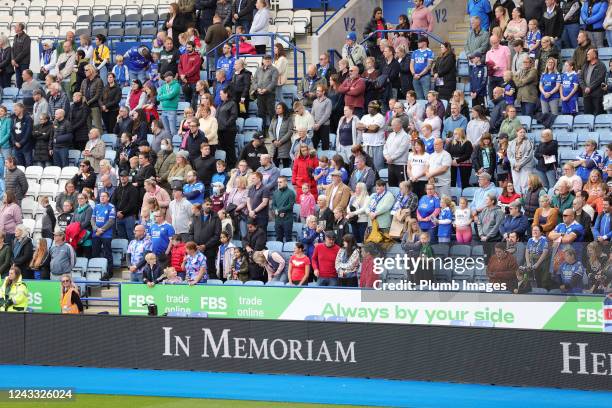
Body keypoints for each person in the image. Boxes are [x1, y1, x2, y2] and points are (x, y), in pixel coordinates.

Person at [251, 55, 278, 132]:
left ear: (271, 61)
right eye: (265, 59)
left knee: (271, 112)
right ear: (263, 61)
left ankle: (273, 130)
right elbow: (254, 80)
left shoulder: (274, 70)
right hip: (259, 94)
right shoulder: (259, 69)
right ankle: (262, 131)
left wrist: (266, 89)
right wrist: (257, 88)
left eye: (269, 60)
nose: (267, 61)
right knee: (261, 113)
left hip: (270, 94)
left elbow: (274, 82)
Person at [91, 191, 115, 279]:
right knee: (95, 253)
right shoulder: (96, 206)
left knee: (107, 253)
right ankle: (95, 273)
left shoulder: (111, 207)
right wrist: (96, 229)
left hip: (106, 235)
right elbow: (92, 219)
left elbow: (111, 221)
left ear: (108, 198)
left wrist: (102, 230)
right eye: (101, 196)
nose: (102, 198)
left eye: (104, 196)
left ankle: (109, 273)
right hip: (96, 233)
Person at [383, 118, 410, 188]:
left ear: (400, 125)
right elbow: (385, 146)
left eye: (395, 125)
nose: (393, 127)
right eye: (392, 125)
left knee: (404, 186)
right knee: (391, 185)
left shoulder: (405, 136)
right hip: (390, 164)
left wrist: (391, 158)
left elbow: (401, 150)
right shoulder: (391, 134)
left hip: (400, 164)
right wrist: (386, 156)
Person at [579, 48, 606, 115]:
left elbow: (600, 79)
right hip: (586, 95)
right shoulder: (585, 65)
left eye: (588, 54)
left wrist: (590, 88)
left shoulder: (601, 65)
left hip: (597, 95)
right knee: (587, 115)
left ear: (594, 55)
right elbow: (580, 78)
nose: (587, 55)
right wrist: (584, 88)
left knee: (598, 114)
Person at [508, 127, 534, 194]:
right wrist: (515, 163)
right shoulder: (511, 143)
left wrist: (520, 164)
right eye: (520, 132)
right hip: (514, 166)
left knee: (525, 184)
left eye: (524, 132)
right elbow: (510, 155)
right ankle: (518, 198)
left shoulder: (529, 142)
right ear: (517, 133)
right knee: (516, 183)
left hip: (525, 166)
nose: (522, 134)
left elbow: (528, 155)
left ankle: (525, 199)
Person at [216, 88, 238, 168]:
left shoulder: (232, 103)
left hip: (229, 130)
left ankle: (232, 165)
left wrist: (226, 124)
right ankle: (225, 165)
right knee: (223, 148)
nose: (220, 95)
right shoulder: (221, 104)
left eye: (221, 94)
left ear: (226, 94)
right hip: (220, 130)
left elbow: (234, 116)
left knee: (229, 148)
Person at [271, 176, 295, 243]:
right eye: (278, 182)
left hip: (287, 219)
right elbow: (273, 205)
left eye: (281, 182)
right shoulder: (275, 192)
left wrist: (279, 210)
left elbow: (290, 205)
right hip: (278, 219)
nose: (279, 184)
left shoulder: (291, 193)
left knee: (288, 239)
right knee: (278, 239)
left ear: (286, 182)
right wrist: (276, 210)